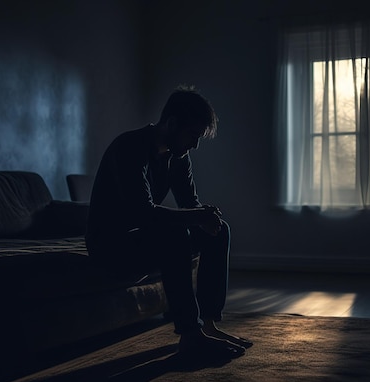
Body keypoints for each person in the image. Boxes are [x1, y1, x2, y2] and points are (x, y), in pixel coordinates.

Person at [86, 85, 252, 359]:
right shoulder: (129, 147)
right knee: (173, 234)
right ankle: (190, 334)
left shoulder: (178, 158)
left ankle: (209, 325)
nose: (195, 145)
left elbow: (190, 205)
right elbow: (144, 213)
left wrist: (205, 216)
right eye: (192, 135)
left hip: (143, 238)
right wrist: (195, 217)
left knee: (218, 231)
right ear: (172, 123)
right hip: (110, 246)